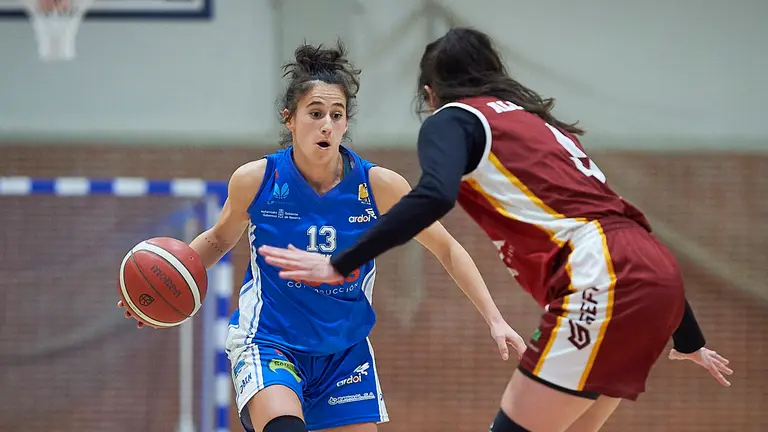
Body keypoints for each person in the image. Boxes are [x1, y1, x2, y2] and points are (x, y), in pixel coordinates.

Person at [258, 28, 734, 432]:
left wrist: (341, 261)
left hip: (600, 277)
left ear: (429, 93)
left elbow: (433, 197)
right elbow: (625, 233)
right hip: (656, 278)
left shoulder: (455, 118)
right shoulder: (539, 123)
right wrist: (688, 337)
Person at [119, 40, 526, 432]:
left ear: (346, 122)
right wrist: (164, 282)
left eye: (337, 114)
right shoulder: (257, 179)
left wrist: (494, 318)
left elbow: (447, 248)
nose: (326, 124)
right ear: (289, 119)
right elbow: (219, 239)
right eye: (315, 112)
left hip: (344, 353)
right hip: (270, 341)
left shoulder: (379, 186)